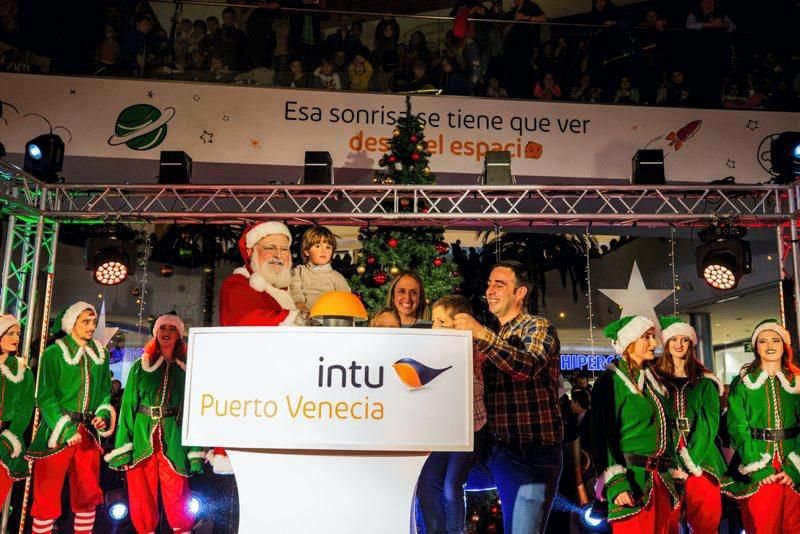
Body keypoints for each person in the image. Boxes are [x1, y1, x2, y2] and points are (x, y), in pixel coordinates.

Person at [452, 260, 562, 533]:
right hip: (493, 448)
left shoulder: (537, 327)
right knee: (437, 480)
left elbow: (527, 365)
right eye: (489, 284)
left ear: (520, 292)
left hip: (530, 452)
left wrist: (480, 333)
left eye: (499, 285)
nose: (490, 290)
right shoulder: (495, 334)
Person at [215, 222, 309, 475]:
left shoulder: (288, 292)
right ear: (252, 252)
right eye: (270, 247)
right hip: (252, 399)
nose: (279, 254)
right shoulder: (238, 283)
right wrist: (294, 319)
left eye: (285, 248)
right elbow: (245, 319)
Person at [105, 313, 204, 534]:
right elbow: (128, 406)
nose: (166, 332)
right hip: (142, 438)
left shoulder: (186, 370)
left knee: (178, 495)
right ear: (155, 333)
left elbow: (193, 411)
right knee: (141, 495)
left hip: (173, 439)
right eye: (162, 328)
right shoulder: (141, 367)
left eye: (172, 328)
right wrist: (123, 446)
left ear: (179, 335)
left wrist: (195, 451)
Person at [26, 302, 115, 534]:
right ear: (71, 323)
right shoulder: (55, 352)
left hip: (87, 434)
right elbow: (45, 397)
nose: (91, 326)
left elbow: (105, 391)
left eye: (93, 322)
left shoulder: (101, 354)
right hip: (57, 434)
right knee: (46, 496)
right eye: (85, 321)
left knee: (87, 495)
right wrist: (65, 429)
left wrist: (103, 414)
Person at [591, 315, 677, 533]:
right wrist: (617, 483)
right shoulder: (610, 381)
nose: (654, 343)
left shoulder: (652, 380)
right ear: (629, 342)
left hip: (660, 481)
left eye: (653, 337)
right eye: (646, 337)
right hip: (632, 482)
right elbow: (603, 437)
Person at [417, 295, 487, 534]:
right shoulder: (432, 352)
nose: (435, 327)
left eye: (441, 322)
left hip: (469, 428)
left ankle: (455, 530)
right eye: (434, 321)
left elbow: (475, 387)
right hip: (442, 428)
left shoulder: (472, 351)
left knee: (451, 484)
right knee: (428, 480)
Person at [653, 316, 726, 533]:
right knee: (666, 522)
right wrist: (672, 462)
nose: (678, 344)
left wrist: (690, 463)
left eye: (684, 340)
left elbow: (709, 424)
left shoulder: (706, 381)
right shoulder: (655, 379)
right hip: (665, 458)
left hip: (702, 460)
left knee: (706, 520)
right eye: (673, 339)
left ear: (691, 344)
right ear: (666, 344)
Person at [726, 320, 800, 533]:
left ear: (784, 346)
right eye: (763, 340)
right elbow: (737, 428)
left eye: (776, 340)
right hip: (759, 463)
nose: (770, 345)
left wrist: (796, 467)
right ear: (755, 347)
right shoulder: (742, 385)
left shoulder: (797, 382)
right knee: (762, 527)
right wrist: (757, 466)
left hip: (793, 464)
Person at [0, 315, 34, 506]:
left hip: (6, 442)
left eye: (18, 334)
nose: (15, 338)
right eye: (10, 333)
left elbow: (25, 408)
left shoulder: (23, 370)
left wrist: (9, 439)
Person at [289, 226, 351, 313]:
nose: (323, 251)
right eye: (318, 246)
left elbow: (346, 299)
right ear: (306, 251)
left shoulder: (336, 276)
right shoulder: (299, 271)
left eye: (328, 247)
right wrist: (299, 304)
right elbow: (295, 289)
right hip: (304, 316)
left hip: (329, 318)